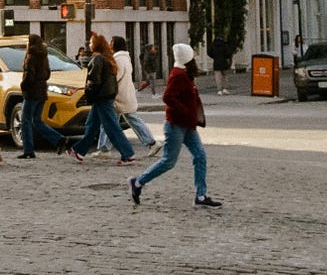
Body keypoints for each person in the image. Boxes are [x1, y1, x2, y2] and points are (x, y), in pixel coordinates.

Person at [129, 43, 222, 209]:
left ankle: (200, 196)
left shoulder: (184, 73)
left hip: (187, 125)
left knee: (200, 156)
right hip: (176, 125)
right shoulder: (179, 75)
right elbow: (168, 97)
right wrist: (185, 111)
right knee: (168, 161)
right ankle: (138, 182)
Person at [65, 33, 137, 166]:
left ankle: (128, 155)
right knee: (92, 125)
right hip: (105, 96)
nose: (89, 45)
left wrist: (88, 95)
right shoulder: (108, 58)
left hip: (101, 97)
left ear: (96, 45)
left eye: (91, 42)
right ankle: (79, 151)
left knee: (111, 127)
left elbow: (94, 81)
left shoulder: (98, 59)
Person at [99, 35, 160, 157]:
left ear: (116, 45)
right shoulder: (124, 58)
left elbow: (115, 77)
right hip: (124, 94)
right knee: (119, 120)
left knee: (111, 120)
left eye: (111, 42)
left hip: (119, 95)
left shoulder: (118, 60)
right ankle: (104, 148)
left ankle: (151, 142)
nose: (109, 44)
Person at [17, 33, 66, 158]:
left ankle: (28, 150)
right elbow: (47, 73)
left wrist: (23, 86)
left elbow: (29, 76)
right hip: (42, 91)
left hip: (31, 92)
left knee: (26, 121)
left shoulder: (30, 56)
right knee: (37, 121)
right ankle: (58, 139)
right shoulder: (44, 56)